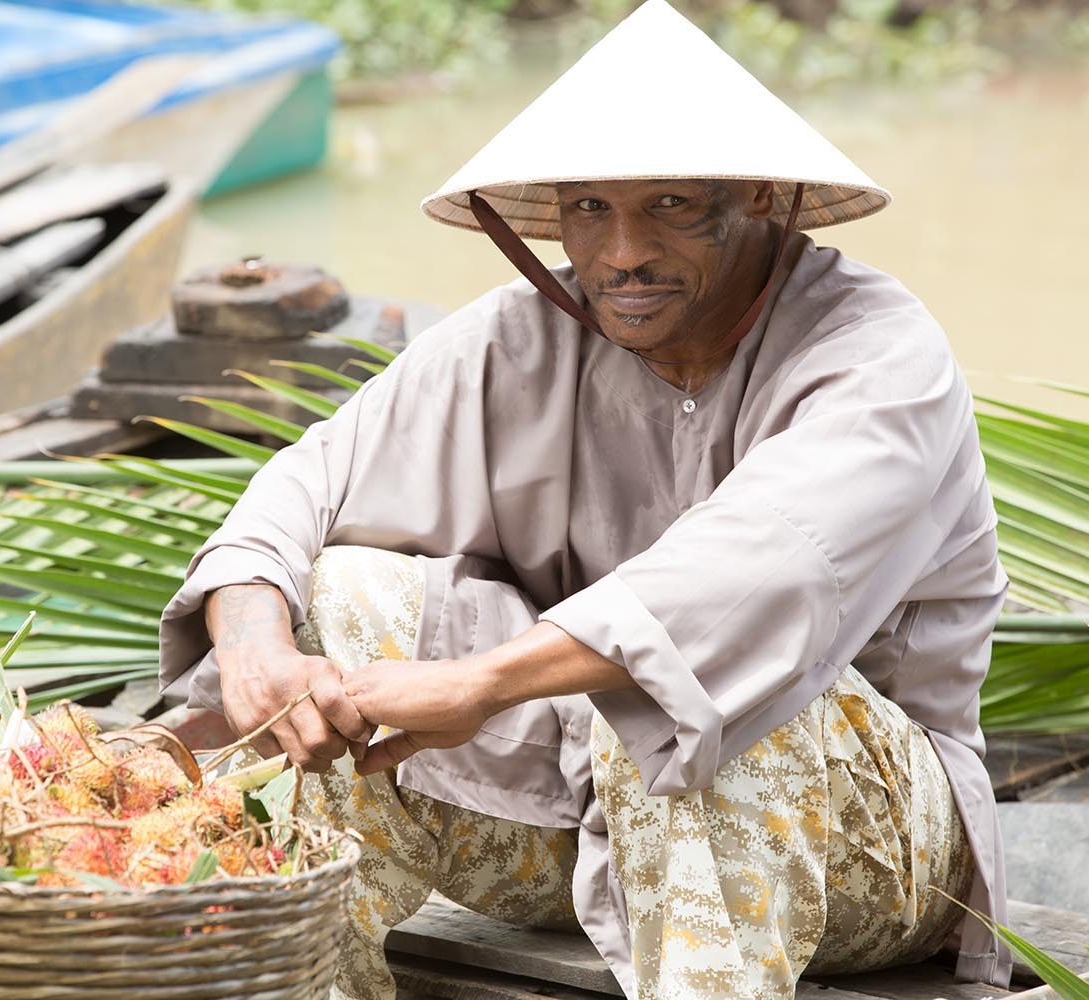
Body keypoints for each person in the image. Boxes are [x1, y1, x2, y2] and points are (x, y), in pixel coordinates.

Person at [159, 2, 1012, 997]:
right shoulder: (524, 336)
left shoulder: (879, 355)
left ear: (760, 198)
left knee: (714, 689)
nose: (622, 254)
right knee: (332, 592)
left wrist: (481, 682)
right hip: (576, 811)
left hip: (870, 849)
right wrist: (255, 648)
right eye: (591, 209)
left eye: (671, 206)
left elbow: (750, 579)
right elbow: (309, 480)